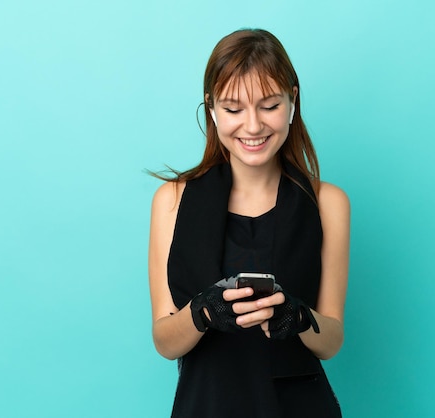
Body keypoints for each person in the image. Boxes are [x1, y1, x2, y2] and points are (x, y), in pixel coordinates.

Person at [148, 28, 350, 418]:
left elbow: (332, 340)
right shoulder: (172, 200)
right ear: (211, 109)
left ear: (293, 100)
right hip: (205, 405)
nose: (253, 126)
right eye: (233, 108)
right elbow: (164, 339)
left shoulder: (329, 203)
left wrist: (298, 317)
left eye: (270, 105)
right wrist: (203, 312)